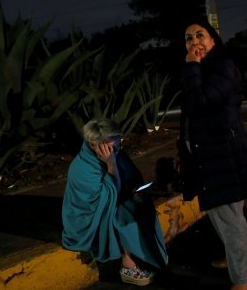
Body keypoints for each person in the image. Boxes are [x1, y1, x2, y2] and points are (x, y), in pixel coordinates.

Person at [176, 18, 247, 290]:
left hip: (222, 157)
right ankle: (235, 259)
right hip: (207, 157)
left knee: (229, 218)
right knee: (221, 215)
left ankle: (244, 280)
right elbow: (189, 119)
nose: (194, 42)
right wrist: (184, 151)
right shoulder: (201, 70)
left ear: (213, 40)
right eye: (189, 38)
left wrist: (191, 66)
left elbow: (201, 103)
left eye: (200, 35)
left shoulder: (222, 67)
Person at [61, 118, 168, 286]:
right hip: (87, 219)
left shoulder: (116, 153)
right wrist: (111, 165)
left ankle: (147, 253)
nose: (116, 151)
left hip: (112, 204)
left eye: (119, 145)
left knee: (139, 205)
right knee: (124, 214)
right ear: (93, 145)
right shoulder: (82, 168)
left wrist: (136, 190)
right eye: (111, 147)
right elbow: (105, 199)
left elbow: (131, 178)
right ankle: (128, 265)